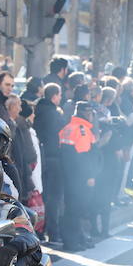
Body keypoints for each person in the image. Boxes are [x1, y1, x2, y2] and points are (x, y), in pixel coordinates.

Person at [58, 101, 99, 252]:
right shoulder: (82, 130)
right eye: (91, 113)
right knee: (77, 210)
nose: (92, 116)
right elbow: (85, 157)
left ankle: (76, 240)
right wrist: (89, 176)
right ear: (86, 113)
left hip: (70, 176)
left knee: (71, 209)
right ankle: (73, 242)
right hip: (80, 178)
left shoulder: (69, 128)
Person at [34, 83, 67, 244]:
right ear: (54, 96)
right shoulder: (53, 114)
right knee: (54, 197)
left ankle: (42, 230)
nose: (60, 98)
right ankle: (53, 232)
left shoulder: (39, 110)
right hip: (53, 158)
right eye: (59, 95)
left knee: (45, 196)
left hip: (42, 158)